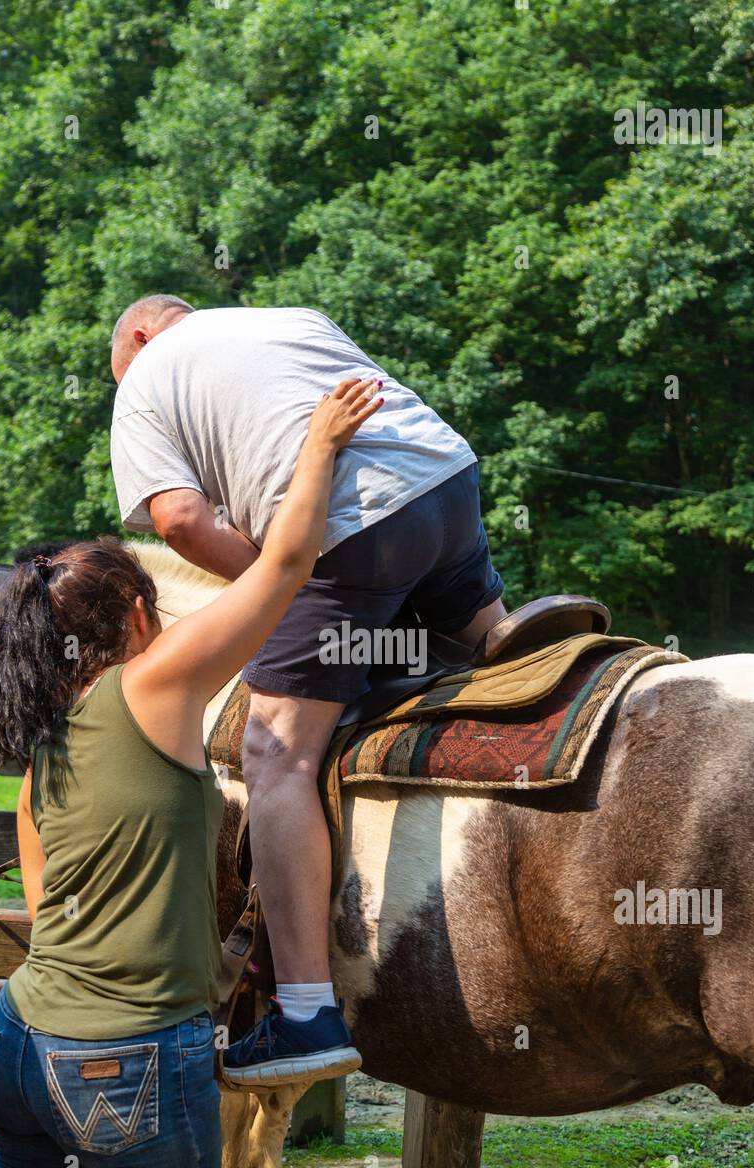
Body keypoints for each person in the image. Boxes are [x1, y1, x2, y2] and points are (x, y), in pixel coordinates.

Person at [0, 378, 380, 1168]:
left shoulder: (47, 736)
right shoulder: (152, 689)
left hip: (20, 1044)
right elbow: (280, 571)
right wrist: (318, 443)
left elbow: (51, 919)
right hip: (132, 1066)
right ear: (135, 621)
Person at [109, 295, 508, 1085]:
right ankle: (513, 638)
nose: (120, 379)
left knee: (275, 752)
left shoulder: (146, 376)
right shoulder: (290, 317)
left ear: (142, 336)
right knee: (495, 655)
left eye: (115, 363)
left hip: (350, 531)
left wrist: (273, 583)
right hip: (447, 485)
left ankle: (306, 1012)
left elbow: (181, 521)